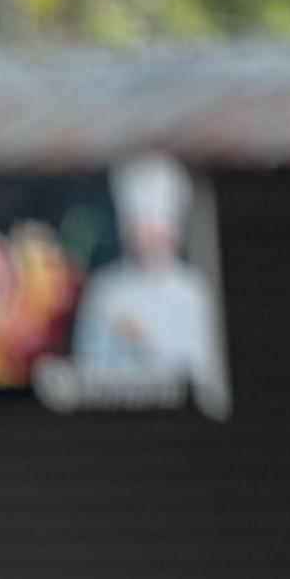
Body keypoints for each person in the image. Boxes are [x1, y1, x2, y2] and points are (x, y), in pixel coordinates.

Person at [67, 155, 230, 416]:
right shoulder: (105, 290)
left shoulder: (193, 292)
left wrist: (142, 339)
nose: (150, 236)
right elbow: (85, 371)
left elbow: (207, 378)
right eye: (142, 226)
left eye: (157, 227)